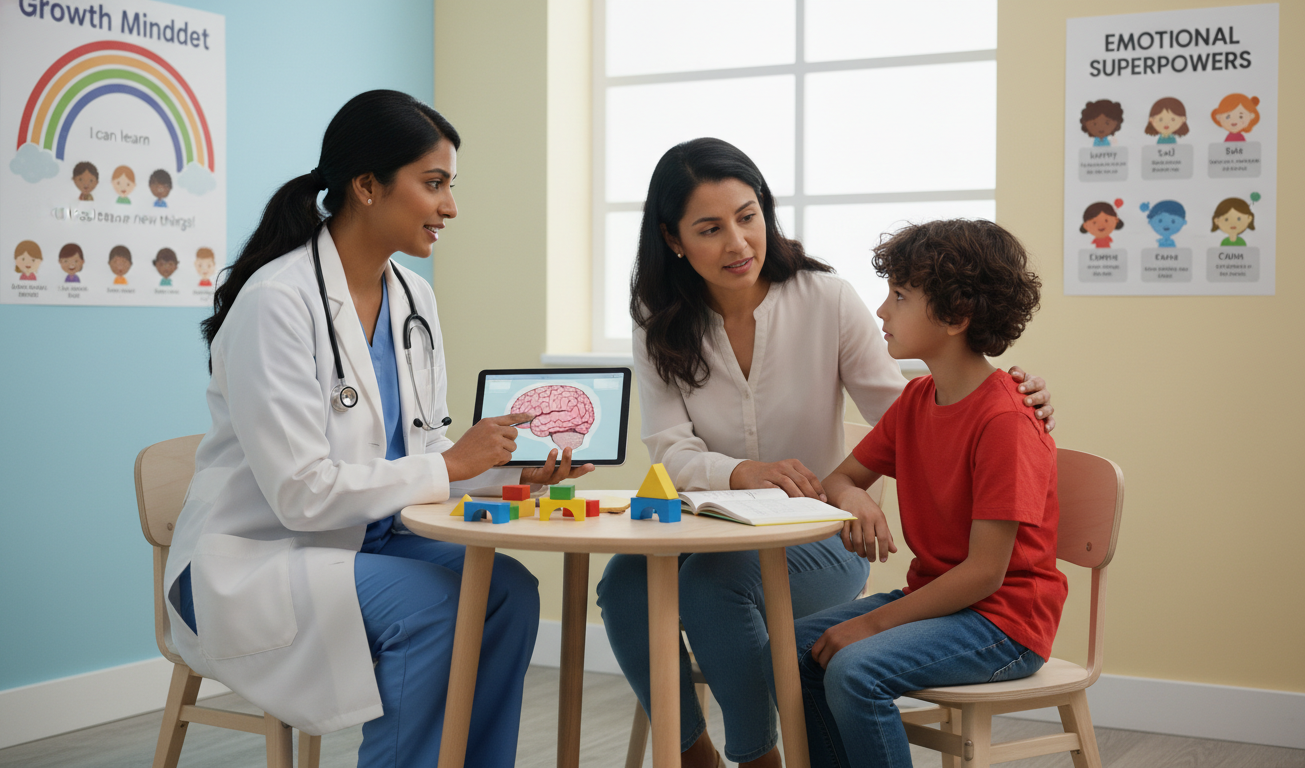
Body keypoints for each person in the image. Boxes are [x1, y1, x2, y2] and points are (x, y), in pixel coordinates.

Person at [165, 90, 590, 768]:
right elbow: (303, 497)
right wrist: (452, 466)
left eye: (450, 185)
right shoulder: (277, 302)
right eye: (434, 184)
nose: (450, 206)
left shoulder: (413, 298)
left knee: (509, 592)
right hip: (255, 558)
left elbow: (419, 453)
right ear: (366, 186)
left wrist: (512, 471)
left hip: (367, 542)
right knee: (434, 608)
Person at [597, 138, 1054, 768]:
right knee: (625, 582)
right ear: (674, 239)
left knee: (715, 585)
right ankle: (692, 752)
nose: (738, 243)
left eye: (748, 216)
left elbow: (915, 411)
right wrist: (749, 474)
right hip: (713, 529)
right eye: (710, 228)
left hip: (814, 544)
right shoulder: (659, 321)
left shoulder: (827, 299)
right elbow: (670, 453)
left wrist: (1013, 392)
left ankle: (759, 758)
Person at [779, 219, 1066, 768]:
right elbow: (839, 479)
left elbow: (986, 573)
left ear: (956, 317)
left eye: (900, 296)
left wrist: (870, 624)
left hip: (1004, 624)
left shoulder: (1005, 420)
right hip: (938, 603)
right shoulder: (915, 401)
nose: (882, 311)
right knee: (791, 649)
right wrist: (855, 498)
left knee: (855, 667)